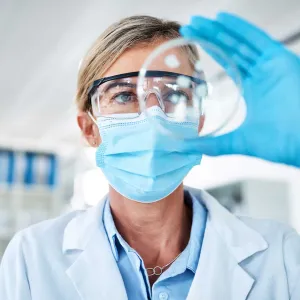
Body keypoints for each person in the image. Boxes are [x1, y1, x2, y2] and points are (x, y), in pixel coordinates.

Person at [0, 12, 300, 300]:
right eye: (124, 95)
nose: (154, 116)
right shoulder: (32, 256)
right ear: (89, 128)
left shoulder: (282, 253)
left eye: (174, 95)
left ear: (199, 121)